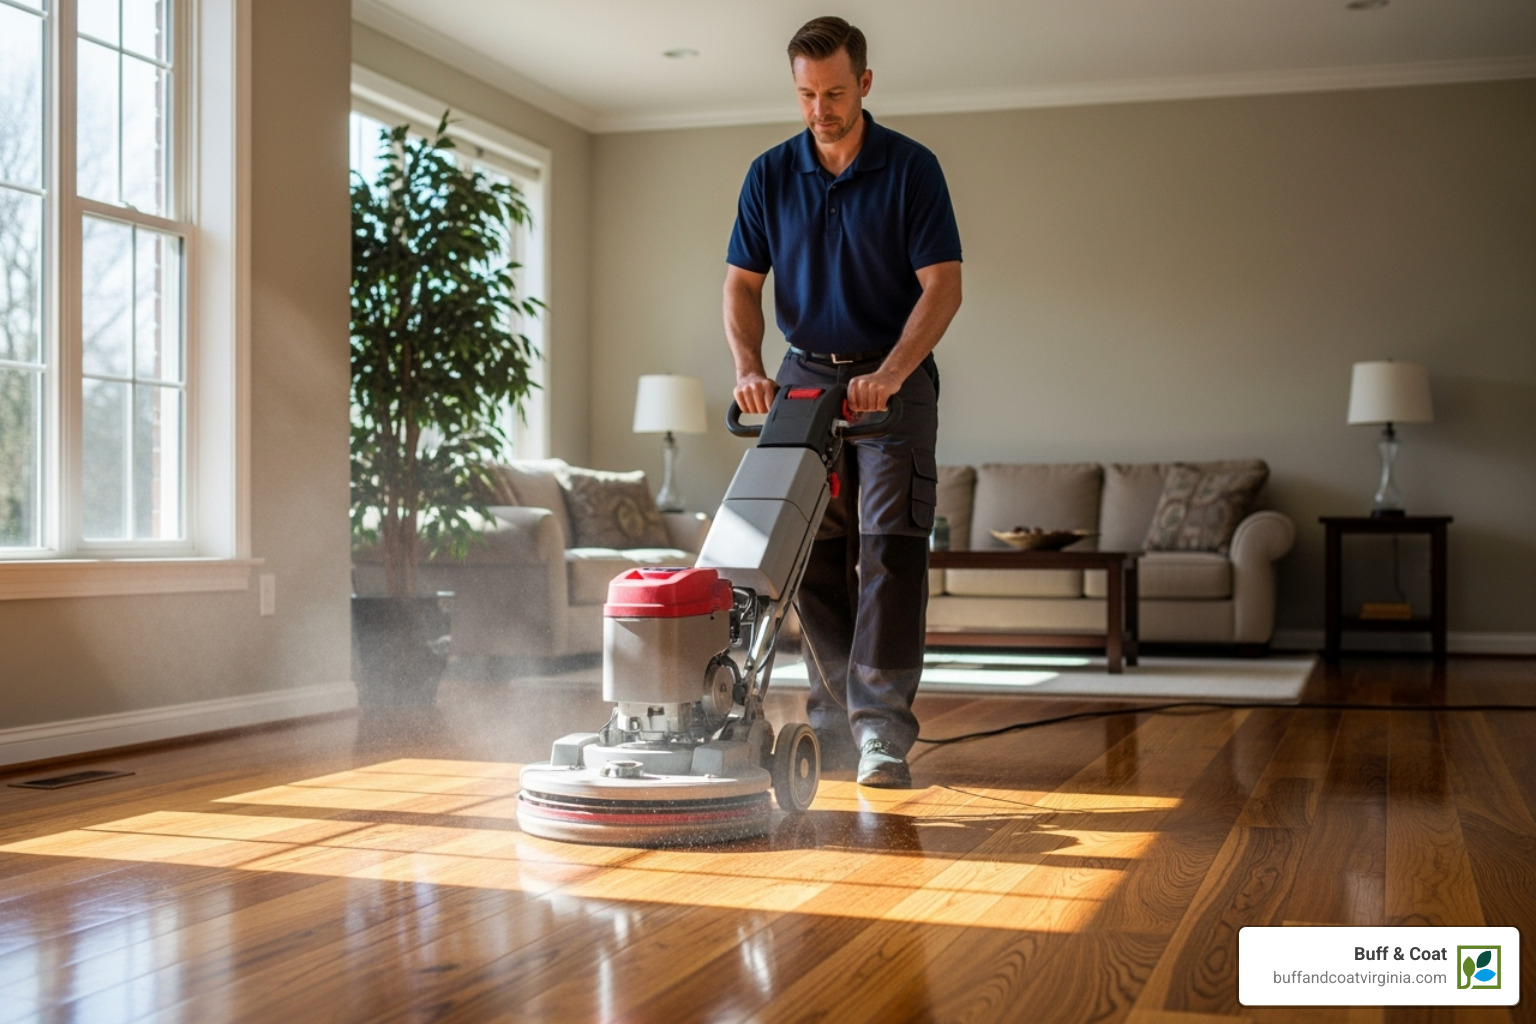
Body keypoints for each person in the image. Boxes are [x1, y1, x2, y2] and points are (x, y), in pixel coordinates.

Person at [723, 15, 963, 788]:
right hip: (803, 378)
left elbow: (943, 286)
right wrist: (748, 367)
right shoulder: (769, 174)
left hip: (890, 378)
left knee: (888, 547)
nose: (819, 109)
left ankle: (883, 731)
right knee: (807, 550)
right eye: (805, 94)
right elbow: (741, 283)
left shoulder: (910, 169)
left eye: (833, 92)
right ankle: (835, 719)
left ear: (863, 83)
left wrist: (891, 373)